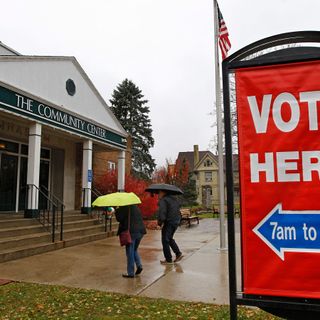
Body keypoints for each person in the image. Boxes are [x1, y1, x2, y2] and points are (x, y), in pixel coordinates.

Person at [115, 204, 146, 278]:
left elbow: (119, 218)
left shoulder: (124, 207)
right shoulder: (135, 207)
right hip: (140, 231)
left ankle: (131, 273)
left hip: (131, 233)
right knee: (134, 250)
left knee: (129, 252)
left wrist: (116, 210)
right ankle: (139, 265)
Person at [157, 190, 183, 264]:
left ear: (163, 192)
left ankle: (168, 259)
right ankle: (178, 253)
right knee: (169, 238)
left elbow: (162, 212)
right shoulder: (174, 199)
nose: (158, 194)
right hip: (176, 221)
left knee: (165, 240)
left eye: (159, 192)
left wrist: (159, 223)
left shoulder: (164, 200)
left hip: (169, 222)